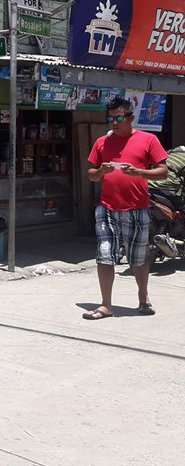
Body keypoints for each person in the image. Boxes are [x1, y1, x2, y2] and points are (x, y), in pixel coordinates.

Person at [85, 97, 168, 319]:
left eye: (119, 117)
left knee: (138, 257)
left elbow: (163, 171)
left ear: (131, 118)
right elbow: (91, 175)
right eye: (110, 118)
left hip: (136, 207)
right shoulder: (102, 142)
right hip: (107, 207)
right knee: (104, 254)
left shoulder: (148, 140)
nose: (114, 122)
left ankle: (143, 297)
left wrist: (140, 172)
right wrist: (101, 171)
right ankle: (105, 305)